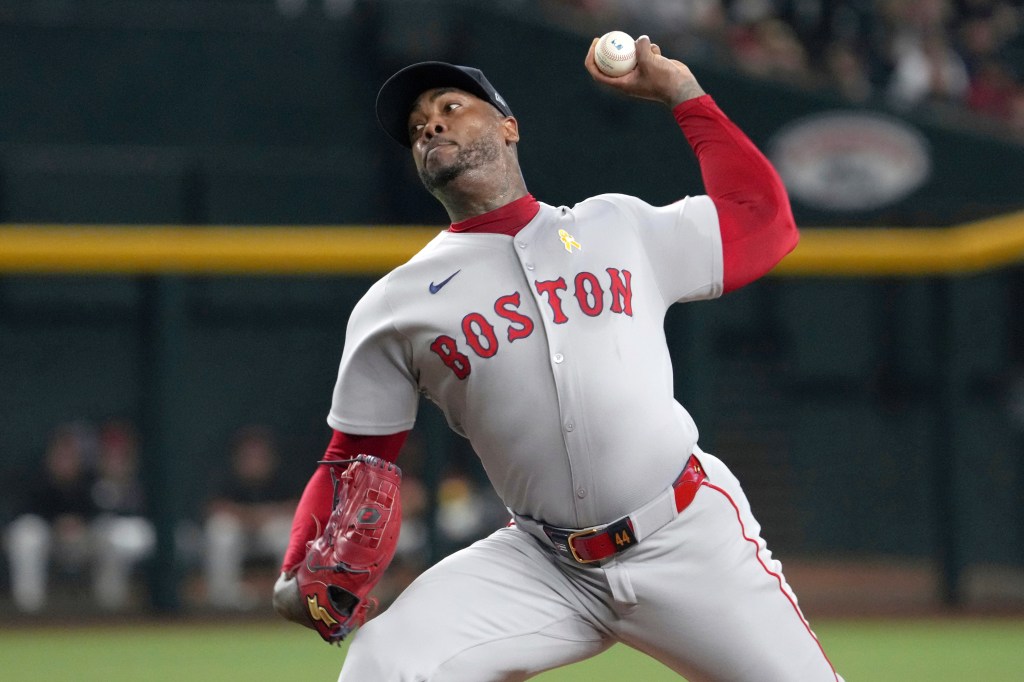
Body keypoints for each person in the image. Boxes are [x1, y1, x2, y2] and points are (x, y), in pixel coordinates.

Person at [274, 35, 843, 681]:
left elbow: (764, 220)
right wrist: (296, 570)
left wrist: (684, 94)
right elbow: (353, 458)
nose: (430, 123)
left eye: (450, 106)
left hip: (684, 535)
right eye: (416, 126)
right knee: (384, 663)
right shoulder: (396, 305)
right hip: (542, 564)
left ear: (509, 127)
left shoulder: (618, 227)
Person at [203, 425, 297, 609]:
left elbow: (297, 507)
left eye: (259, 456)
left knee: (288, 533)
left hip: (269, 530)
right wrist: (251, 516)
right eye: (249, 456)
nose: (254, 461)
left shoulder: (281, 478)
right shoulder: (227, 479)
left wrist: (265, 515)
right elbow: (214, 507)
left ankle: (288, 596)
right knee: (221, 531)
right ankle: (222, 599)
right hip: (240, 529)